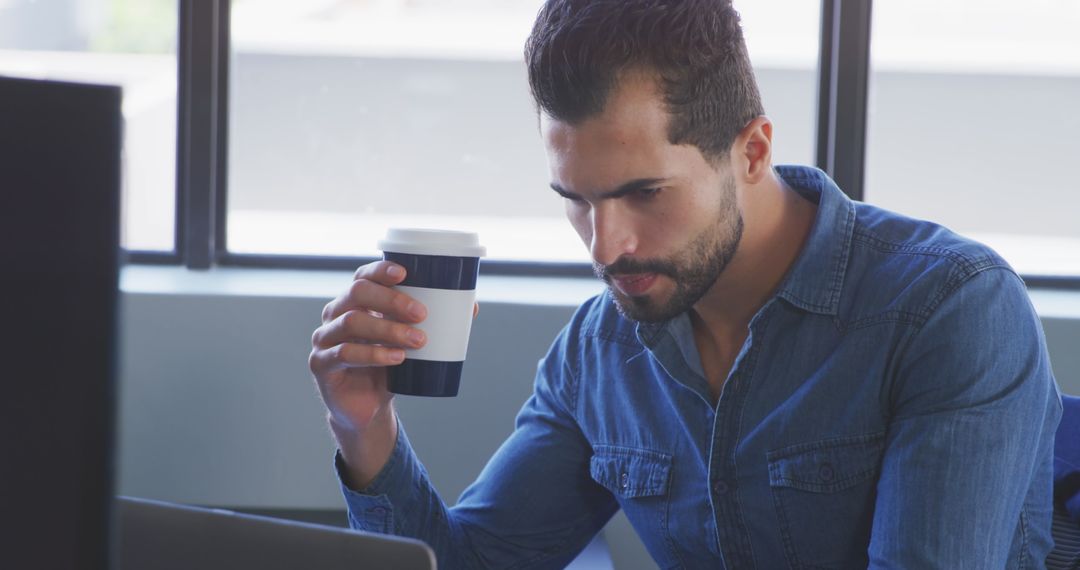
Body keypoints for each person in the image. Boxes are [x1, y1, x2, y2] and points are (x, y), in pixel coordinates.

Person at [307, 0, 1063, 567]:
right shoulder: (600, 351)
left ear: (752, 151)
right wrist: (363, 428)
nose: (607, 247)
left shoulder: (951, 309)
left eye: (644, 193)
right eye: (577, 200)